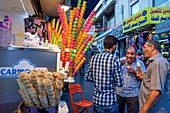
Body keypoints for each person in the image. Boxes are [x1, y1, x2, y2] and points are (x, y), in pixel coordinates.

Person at [85, 35, 124, 113]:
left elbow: (88, 77)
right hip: (109, 102)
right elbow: (120, 83)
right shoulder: (114, 60)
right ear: (114, 46)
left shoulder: (94, 58)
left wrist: (98, 79)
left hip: (96, 100)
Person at [136, 40, 170, 113]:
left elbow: (156, 91)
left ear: (152, 47)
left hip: (156, 109)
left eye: (144, 48)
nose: (143, 50)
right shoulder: (155, 62)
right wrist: (144, 77)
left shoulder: (158, 63)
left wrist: (143, 110)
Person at [116, 47, 146, 113]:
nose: (129, 56)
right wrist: (119, 64)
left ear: (135, 55)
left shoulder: (139, 64)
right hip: (120, 93)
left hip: (132, 94)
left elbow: (143, 78)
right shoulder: (121, 61)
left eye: (132, 54)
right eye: (128, 53)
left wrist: (134, 72)